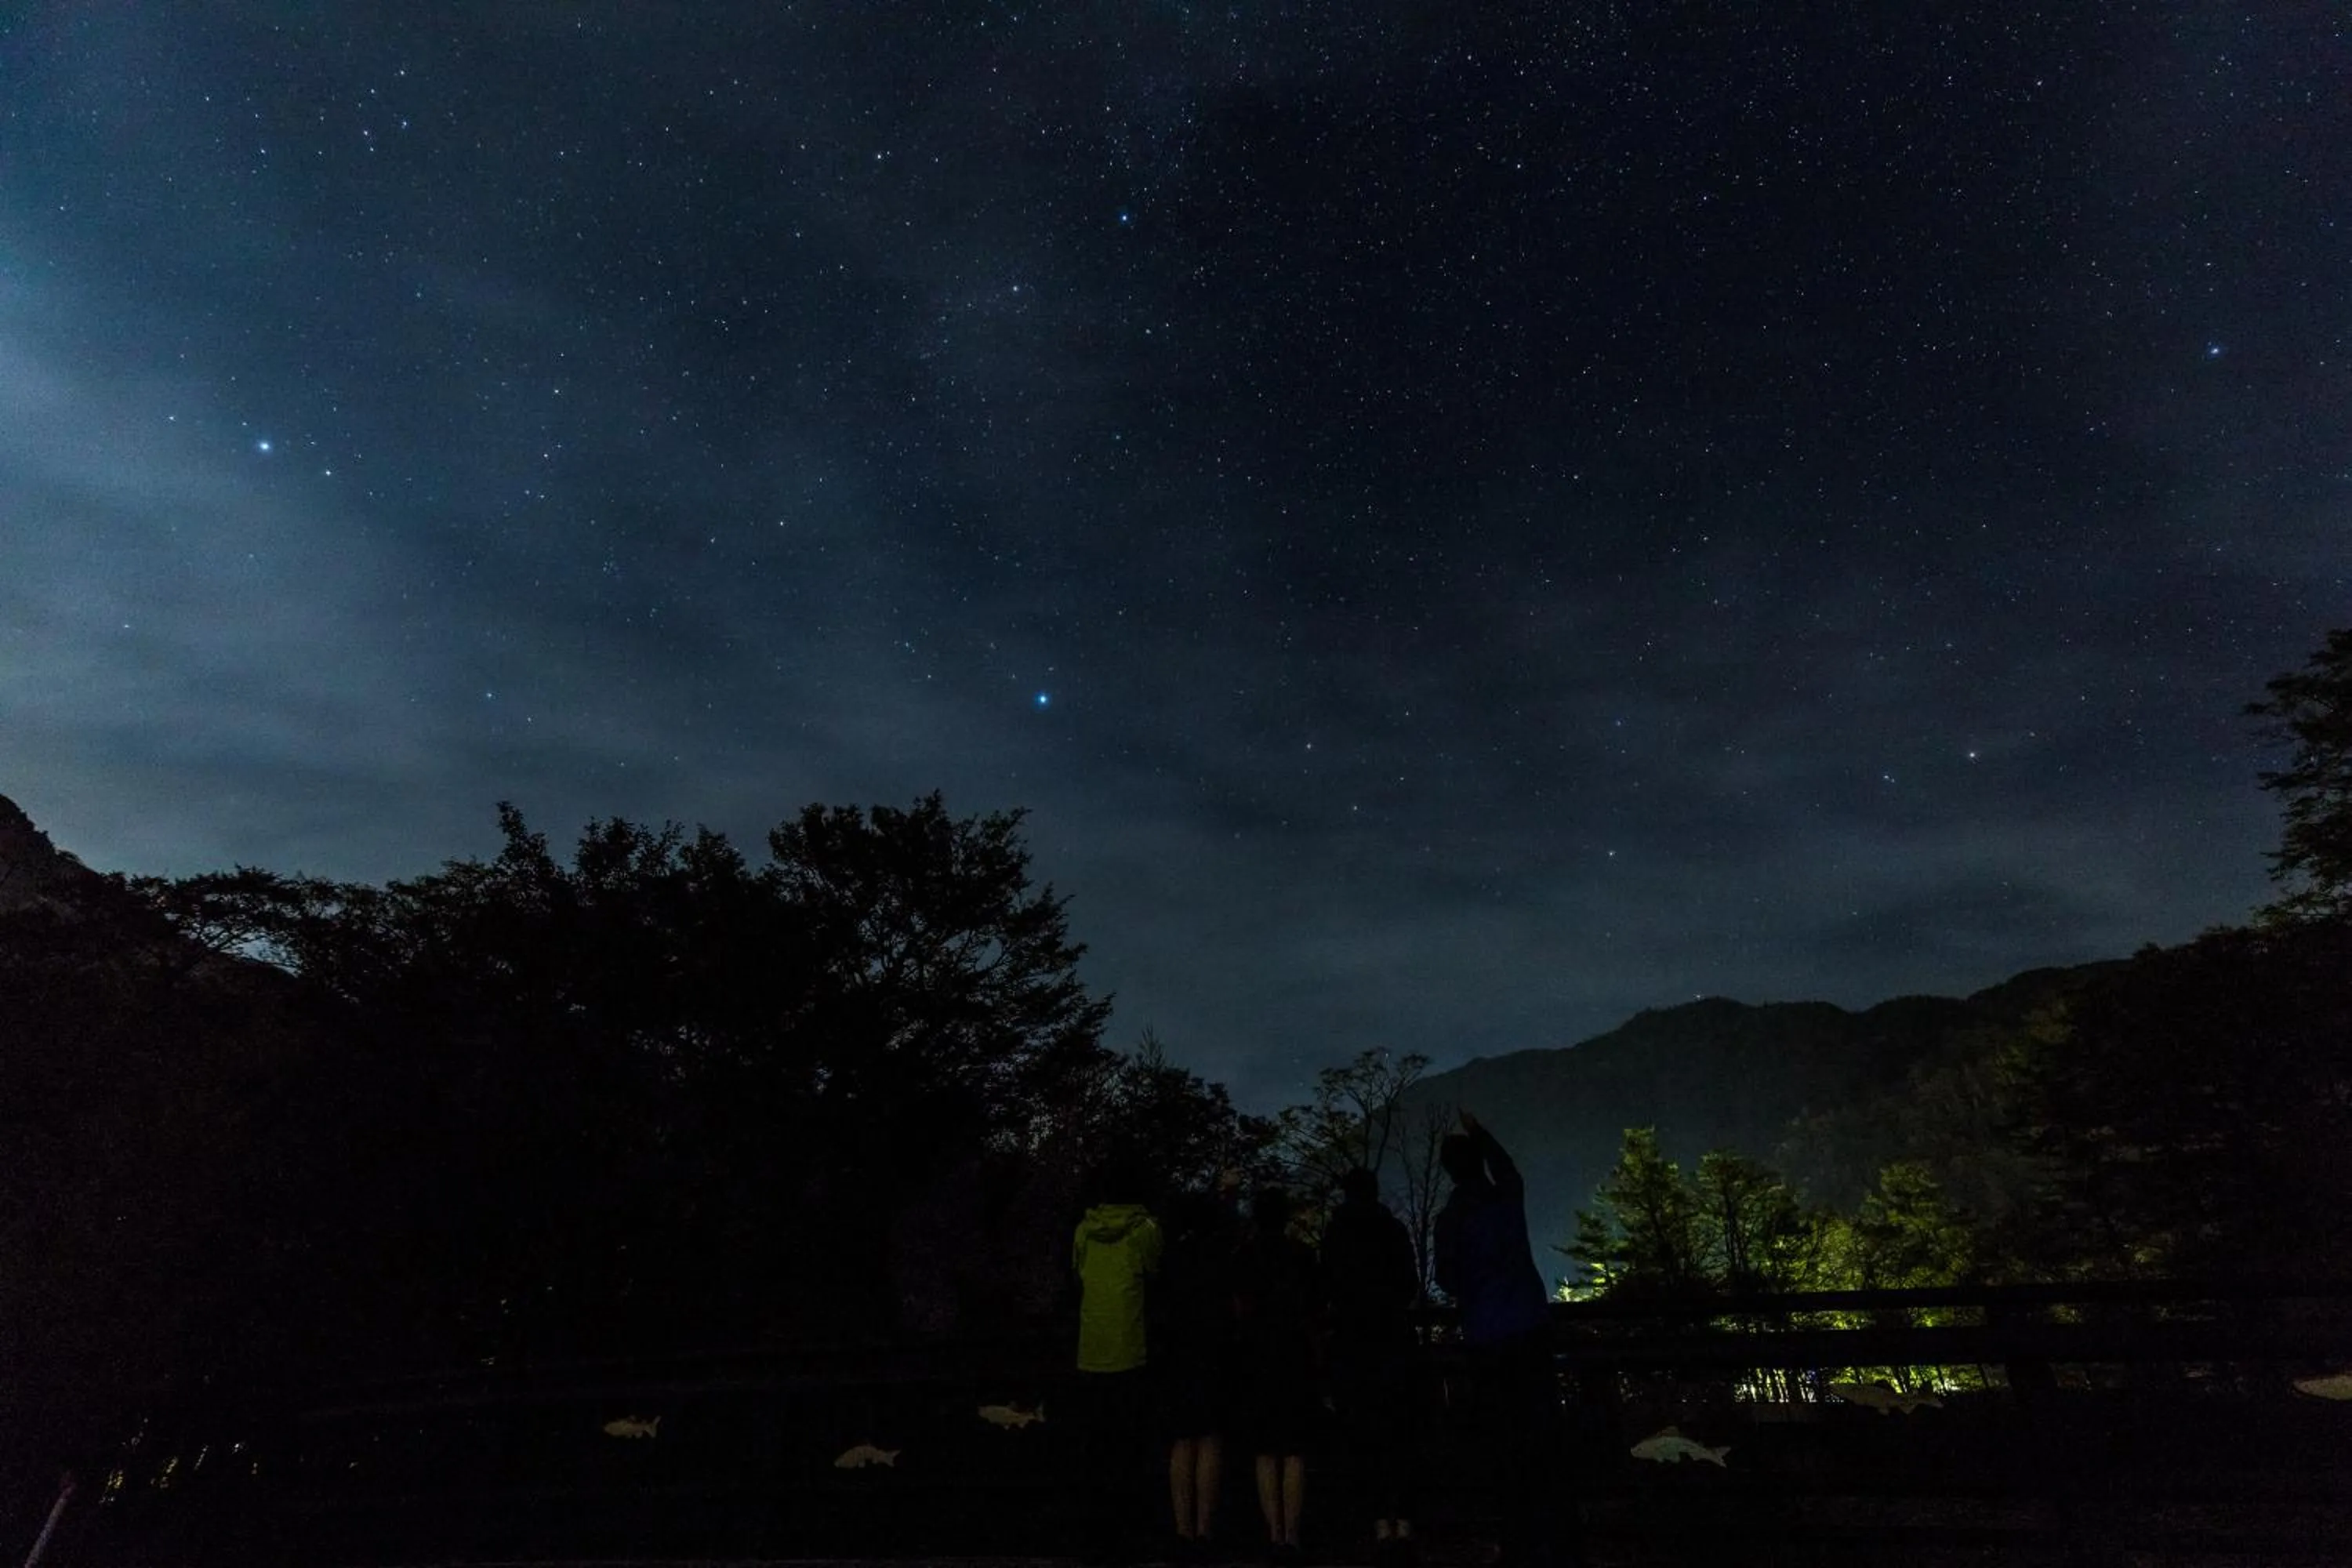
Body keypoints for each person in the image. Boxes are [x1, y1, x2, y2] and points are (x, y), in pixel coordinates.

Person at [1435, 1110, 1578, 1568]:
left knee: (1503, 1440)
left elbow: (1449, 1279)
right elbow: (1510, 1169)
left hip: (1486, 1338)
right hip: (1531, 1331)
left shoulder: (1450, 1220)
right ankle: (1558, 1539)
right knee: (1543, 1434)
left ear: (1448, 1171)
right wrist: (1481, 1133)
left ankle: (1515, 1541)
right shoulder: (1506, 1200)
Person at [1319, 1166, 1425, 1568]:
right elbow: (1410, 1285)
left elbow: (1324, 1285)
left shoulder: (1336, 1234)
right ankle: (1404, 1519)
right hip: (1393, 1341)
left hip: (1351, 1344)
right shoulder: (1393, 1230)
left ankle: (1377, 1519)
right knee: (1399, 1430)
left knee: (1363, 1433)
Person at [1072, 1153, 1166, 1564]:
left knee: (1097, 1450)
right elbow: (1155, 1271)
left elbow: (1078, 1275)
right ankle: (1132, 1533)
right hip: (1132, 1348)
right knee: (1131, 1450)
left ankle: (1096, 1535)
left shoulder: (1083, 1231)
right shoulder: (1145, 1230)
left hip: (1091, 1350)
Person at [1157, 1170, 1247, 1557]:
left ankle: (1182, 1528)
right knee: (1209, 1438)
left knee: (1182, 1440)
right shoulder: (1219, 1258)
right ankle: (1204, 1530)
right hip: (1212, 1353)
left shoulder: (1171, 1258)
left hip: (1179, 1353)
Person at [1229, 1185, 1321, 1564]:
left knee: (1266, 1451)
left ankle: (1273, 1534)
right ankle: (1292, 1536)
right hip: (1295, 1358)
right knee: (1294, 1450)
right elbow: (1315, 1310)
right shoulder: (1302, 1256)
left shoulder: (1244, 1257)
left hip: (1257, 1360)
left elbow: (1239, 1309)